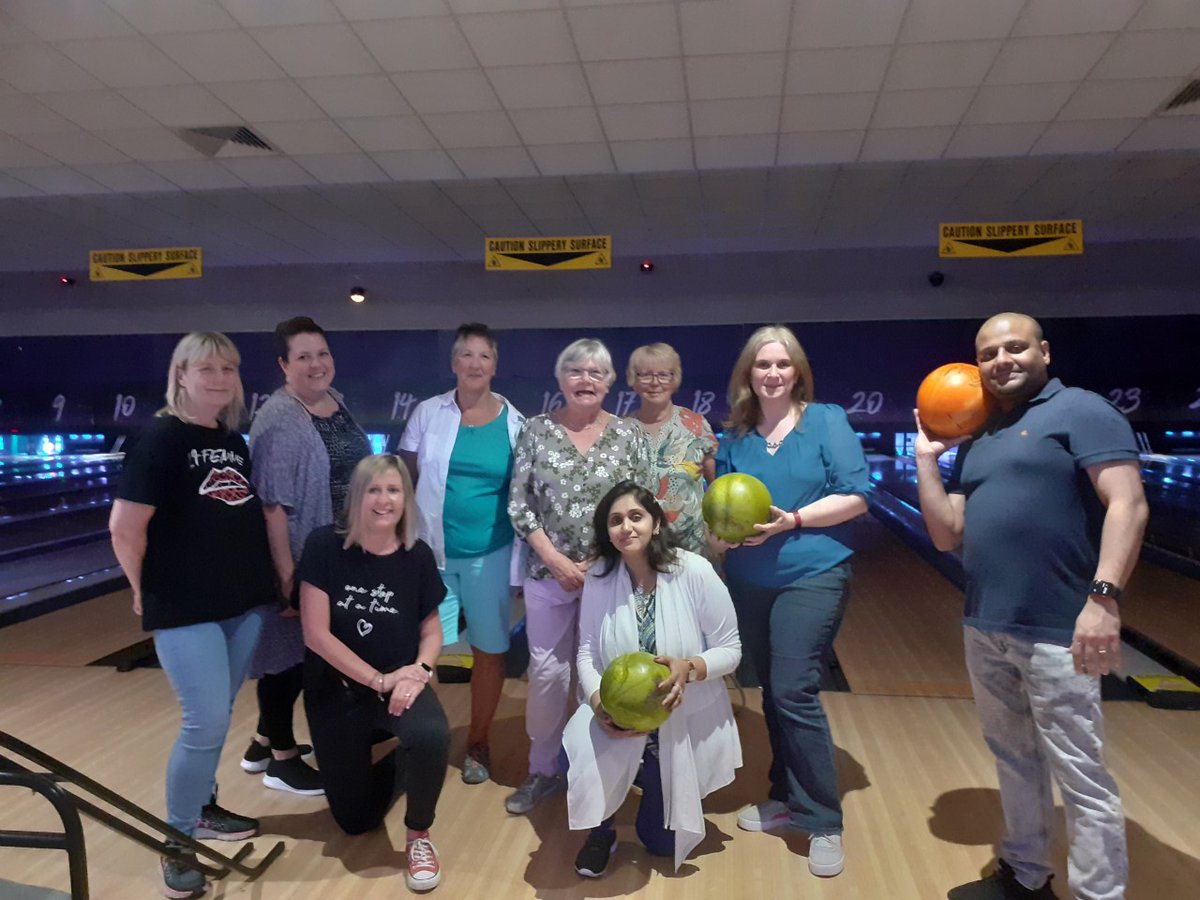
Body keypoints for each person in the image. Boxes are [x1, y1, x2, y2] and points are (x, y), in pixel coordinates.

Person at [913, 313, 1148, 900]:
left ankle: (1099, 894)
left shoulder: (1082, 411)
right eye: (989, 353)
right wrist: (925, 460)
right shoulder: (981, 436)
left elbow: (1128, 505)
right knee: (1013, 757)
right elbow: (947, 535)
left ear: (1043, 351)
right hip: (986, 623)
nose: (1002, 360)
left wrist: (1103, 600)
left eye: (1015, 347)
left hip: (1058, 627)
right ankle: (1025, 872)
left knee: (1081, 775)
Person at [109, 332, 275, 899]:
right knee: (202, 722)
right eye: (206, 368)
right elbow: (125, 529)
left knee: (219, 715)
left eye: (228, 368)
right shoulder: (159, 438)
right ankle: (175, 841)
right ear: (180, 374)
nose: (220, 378)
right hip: (184, 606)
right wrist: (141, 590)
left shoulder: (232, 440)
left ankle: (203, 809)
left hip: (241, 602)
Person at [713, 324, 870, 879]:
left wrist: (794, 520)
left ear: (797, 371)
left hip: (814, 572)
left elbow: (857, 494)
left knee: (793, 688)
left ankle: (823, 818)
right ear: (748, 374)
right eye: (762, 365)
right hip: (751, 580)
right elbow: (724, 515)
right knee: (769, 691)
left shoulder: (826, 419)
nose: (773, 374)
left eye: (782, 364)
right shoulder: (734, 439)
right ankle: (785, 796)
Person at [565, 481, 742, 877]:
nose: (626, 527)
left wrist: (690, 667)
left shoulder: (693, 570)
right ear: (606, 532)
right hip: (617, 714)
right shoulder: (600, 576)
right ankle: (601, 831)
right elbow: (587, 652)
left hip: (677, 720)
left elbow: (732, 650)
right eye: (615, 520)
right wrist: (598, 704)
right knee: (571, 752)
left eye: (635, 516)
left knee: (660, 844)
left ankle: (648, 770)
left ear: (656, 523)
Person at [506, 338, 652, 815]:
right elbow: (519, 502)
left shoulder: (629, 435)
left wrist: (600, 559)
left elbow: (642, 505)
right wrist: (555, 559)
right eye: (575, 371)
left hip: (611, 575)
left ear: (610, 382)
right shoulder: (535, 429)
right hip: (548, 575)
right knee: (549, 674)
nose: (585, 380)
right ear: (560, 379)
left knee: (609, 671)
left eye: (596, 373)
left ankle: (606, 767)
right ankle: (543, 768)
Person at [299, 455, 450, 893]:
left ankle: (419, 835)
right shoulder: (324, 546)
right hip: (339, 691)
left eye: (394, 490)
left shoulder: (416, 555)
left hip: (398, 684)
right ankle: (406, 763)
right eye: (374, 490)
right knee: (355, 822)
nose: (384, 500)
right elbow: (315, 634)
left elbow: (433, 631)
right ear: (357, 497)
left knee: (432, 735)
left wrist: (416, 673)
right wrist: (377, 680)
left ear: (406, 498)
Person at [242, 316, 371, 796]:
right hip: (299, 555)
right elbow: (273, 505)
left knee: (306, 654)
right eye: (303, 357)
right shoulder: (279, 418)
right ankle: (281, 760)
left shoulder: (333, 401)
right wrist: (286, 576)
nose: (317, 364)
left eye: (323, 354)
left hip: (335, 551)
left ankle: (260, 742)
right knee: (290, 659)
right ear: (283, 364)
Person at [399, 323, 525, 786]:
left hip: (490, 556)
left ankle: (478, 742)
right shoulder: (427, 413)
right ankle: (425, 741)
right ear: (453, 364)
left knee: (489, 652)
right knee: (423, 654)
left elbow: (524, 496)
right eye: (466, 356)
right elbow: (404, 483)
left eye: (484, 356)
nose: (475, 364)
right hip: (430, 555)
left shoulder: (517, 425)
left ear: (495, 365)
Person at [627, 343, 718, 557]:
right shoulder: (622, 431)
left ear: (675, 379)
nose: (655, 383)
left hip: (695, 552)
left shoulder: (696, 425)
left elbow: (716, 488)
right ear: (634, 380)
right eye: (645, 375)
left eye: (664, 374)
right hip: (641, 554)